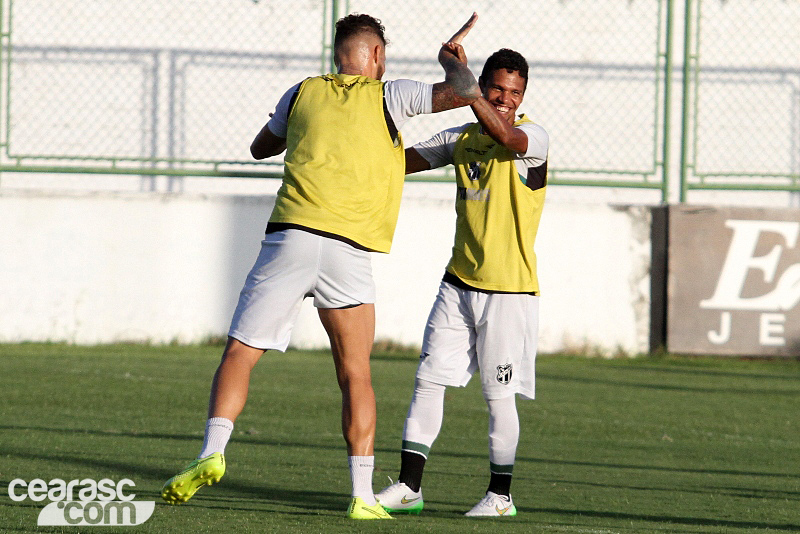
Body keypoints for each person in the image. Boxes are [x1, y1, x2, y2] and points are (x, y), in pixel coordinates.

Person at [160, 13, 481, 520]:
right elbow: (465, 92)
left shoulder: (301, 91)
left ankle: (210, 454)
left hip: (289, 238)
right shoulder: (389, 95)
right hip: (348, 251)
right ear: (375, 55)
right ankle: (360, 494)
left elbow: (260, 147)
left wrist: (298, 129)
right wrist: (450, 61)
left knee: (240, 353)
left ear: (339, 53)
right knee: (355, 374)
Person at [376, 48, 549, 518]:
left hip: (509, 293)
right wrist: (361, 126)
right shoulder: (463, 136)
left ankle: (500, 497)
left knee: (498, 396)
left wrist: (468, 91)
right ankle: (410, 487)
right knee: (428, 381)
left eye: (515, 91)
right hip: (457, 283)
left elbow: (508, 136)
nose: (505, 97)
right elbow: (403, 161)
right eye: (497, 88)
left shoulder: (534, 137)